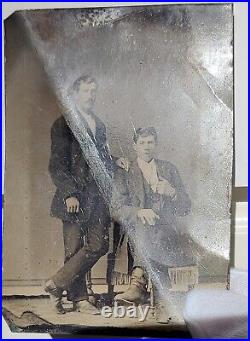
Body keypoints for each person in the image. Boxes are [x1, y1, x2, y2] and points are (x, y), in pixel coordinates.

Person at [45, 75, 126, 314]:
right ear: (75, 94)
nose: (91, 95)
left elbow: (98, 161)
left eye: (94, 91)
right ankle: (79, 300)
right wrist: (70, 193)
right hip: (73, 198)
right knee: (73, 250)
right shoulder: (63, 124)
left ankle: (56, 285)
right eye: (86, 91)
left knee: (98, 244)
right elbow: (57, 166)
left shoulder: (99, 125)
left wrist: (115, 160)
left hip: (96, 198)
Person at [111, 127, 193, 323]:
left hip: (166, 229)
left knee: (155, 230)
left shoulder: (169, 169)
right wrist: (139, 212)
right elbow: (116, 208)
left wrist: (172, 192)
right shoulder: (125, 171)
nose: (146, 147)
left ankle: (137, 284)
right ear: (134, 146)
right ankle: (161, 301)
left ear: (156, 145)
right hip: (137, 229)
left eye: (150, 143)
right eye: (142, 143)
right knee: (146, 227)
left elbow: (186, 207)